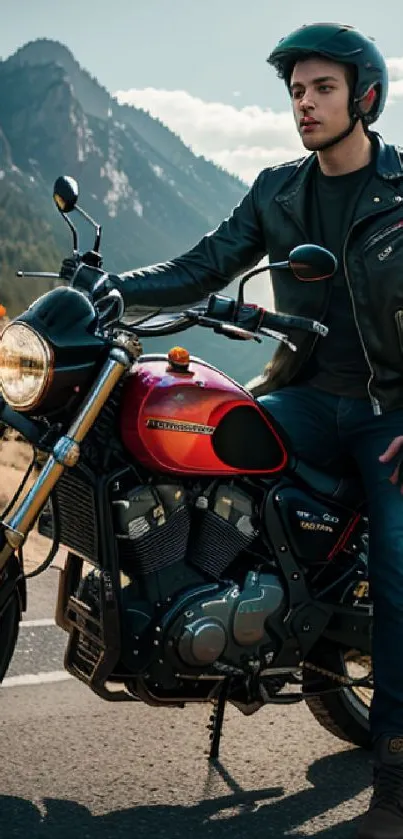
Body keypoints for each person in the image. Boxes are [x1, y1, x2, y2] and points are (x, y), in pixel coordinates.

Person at [62, 23, 403, 838]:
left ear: (364, 95)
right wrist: (108, 289)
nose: (304, 105)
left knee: (396, 575)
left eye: (321, 89)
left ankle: (393, 774)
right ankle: (214, 617)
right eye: (295, 92)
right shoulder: (278, 190)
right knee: (178, 446)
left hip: (389, 414)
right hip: (303, 396)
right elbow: (201, 262)